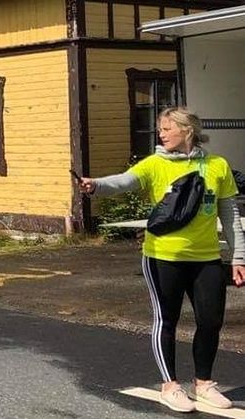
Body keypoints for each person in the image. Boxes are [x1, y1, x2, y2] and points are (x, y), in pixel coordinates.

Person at [79, 107, 245, 413]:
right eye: (161, 129)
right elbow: (125, 181)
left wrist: (238, 257)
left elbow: (230, 214)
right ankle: (170, 386)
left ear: (187, 130)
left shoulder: (217, 165)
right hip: (162, 258)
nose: (161, 133)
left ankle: (204, 384)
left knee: (211, 322)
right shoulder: (155, 164)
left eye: (167, 128)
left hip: (206, 258)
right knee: (166, 320)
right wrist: (97, 185)